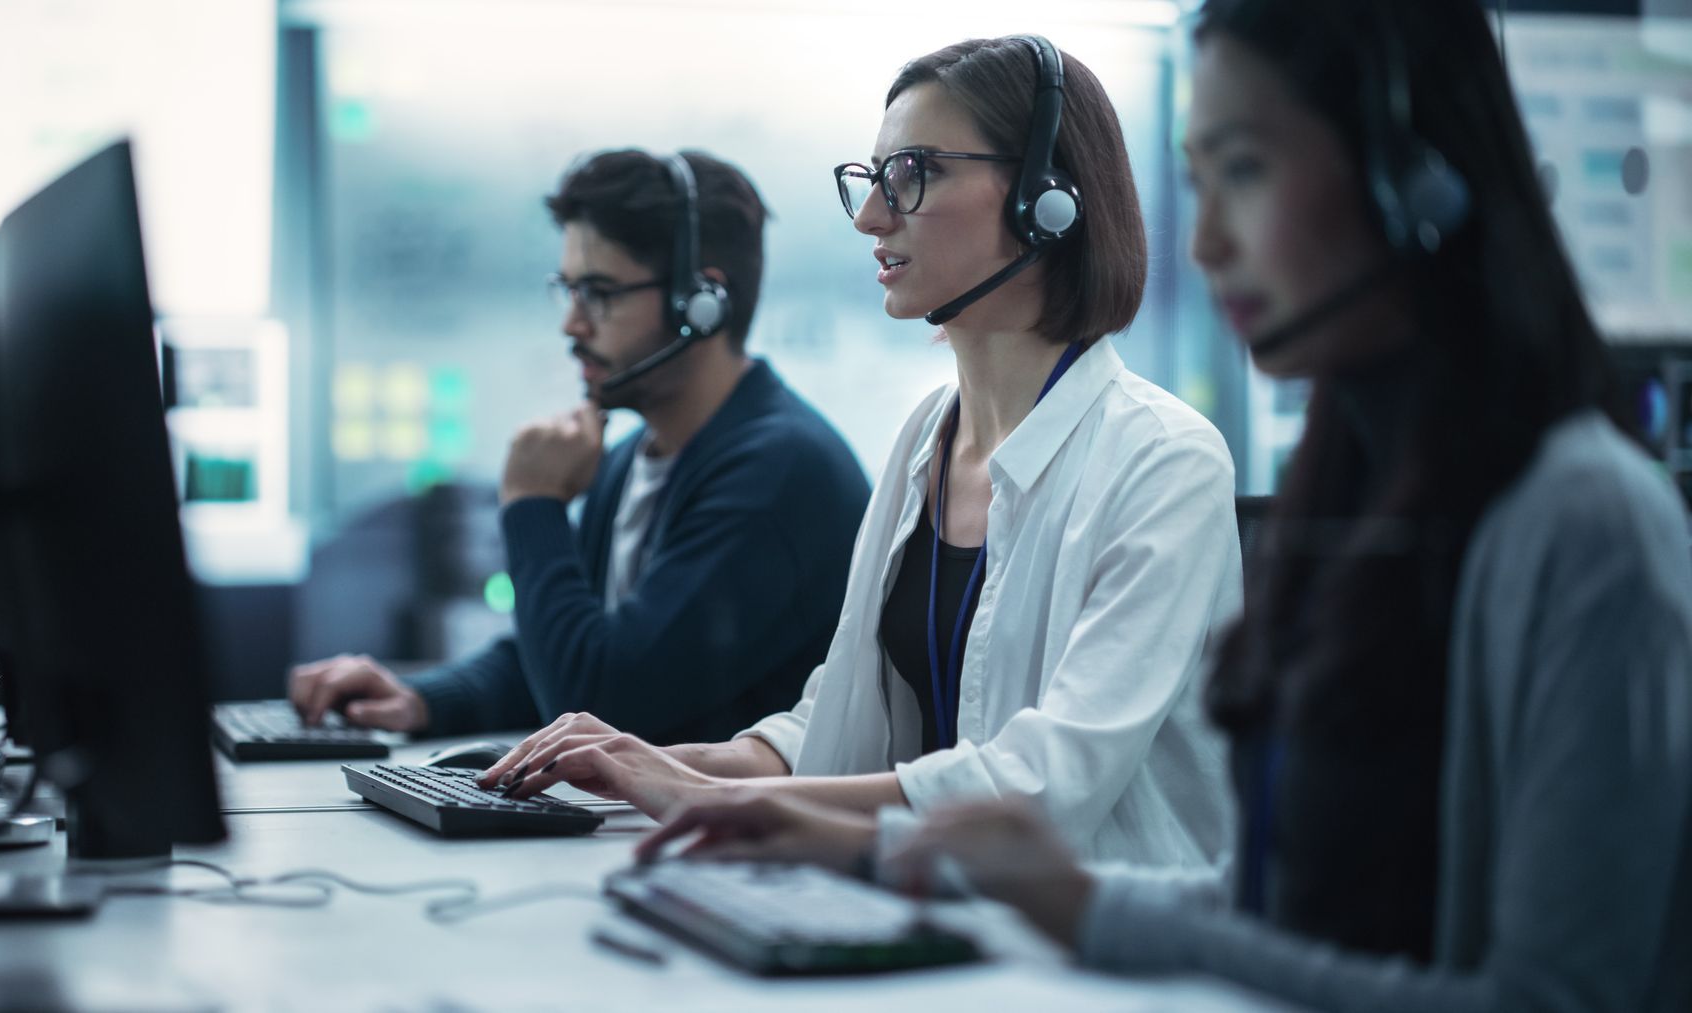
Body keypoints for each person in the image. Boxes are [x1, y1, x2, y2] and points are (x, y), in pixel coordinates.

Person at [637, 3, 1692, 1010]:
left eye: (1246, 169)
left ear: (1414, 182)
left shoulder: (1585, 528)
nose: (1206, 243)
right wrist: (930, 856)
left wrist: (1071, 901)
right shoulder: (1358, 497)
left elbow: (1551, 997)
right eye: (1201, 179)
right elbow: (1273, 899)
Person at [485, 37, 1242, 871]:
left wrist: (718, 797)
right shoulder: (927, 437)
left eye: (914, 172)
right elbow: (837, 720)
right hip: (944, 908)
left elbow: (1042, 785)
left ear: (1045, 198)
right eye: (873, 178)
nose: (871, 217)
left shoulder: (1164, 461)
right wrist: (650, 762)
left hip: (1100, 950)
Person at [289, 149, 870, 745]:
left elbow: (601, 705)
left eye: (598, 293)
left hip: (738, 833)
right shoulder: (629, 458)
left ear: (701, 303)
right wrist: (419, 699)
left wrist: (532, 505)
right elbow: (558, 654)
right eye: (566, 290)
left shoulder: (775, 472)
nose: (571, 324)